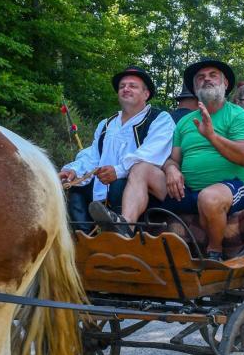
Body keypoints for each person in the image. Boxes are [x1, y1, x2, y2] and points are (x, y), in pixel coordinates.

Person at [58, 66, 174, 234]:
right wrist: (73, 170)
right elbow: (93, 156)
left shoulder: (160, 119)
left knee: (118, 184)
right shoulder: (106, 124)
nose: (126, 89)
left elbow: (150, 154)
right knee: (76, 189)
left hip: (140, 189)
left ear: (146, 94)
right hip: (103, 186)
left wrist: (118, 171)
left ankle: (124, 233)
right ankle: (83, 240)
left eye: (133, 86)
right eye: (122, 86)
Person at [161, 58, 244, 261]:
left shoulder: (238, 115)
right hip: (187, 190)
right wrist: (171, 169)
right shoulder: (185, 121)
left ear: (225, 84)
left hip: (231, 189)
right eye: (201, 77)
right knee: (142, 171)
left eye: (213, 75)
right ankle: (122, 227)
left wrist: (212, 136)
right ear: (195, 87)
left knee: (209, 197)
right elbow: (173, 159)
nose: (207, 80)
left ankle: (214, 252)